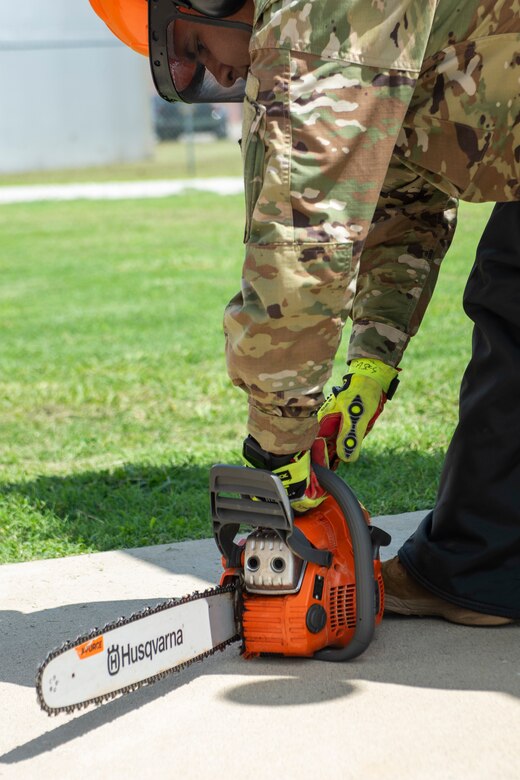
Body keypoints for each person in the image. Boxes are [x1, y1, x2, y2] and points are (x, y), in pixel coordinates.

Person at [90, 0, 520, 624]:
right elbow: (406, 191)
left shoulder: (317, 16)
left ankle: (474, 573)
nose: (222, 76)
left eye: (197, 49)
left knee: (508, 300)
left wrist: (278, 450)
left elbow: (303, 237)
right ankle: (480, 569)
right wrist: (370, 368)